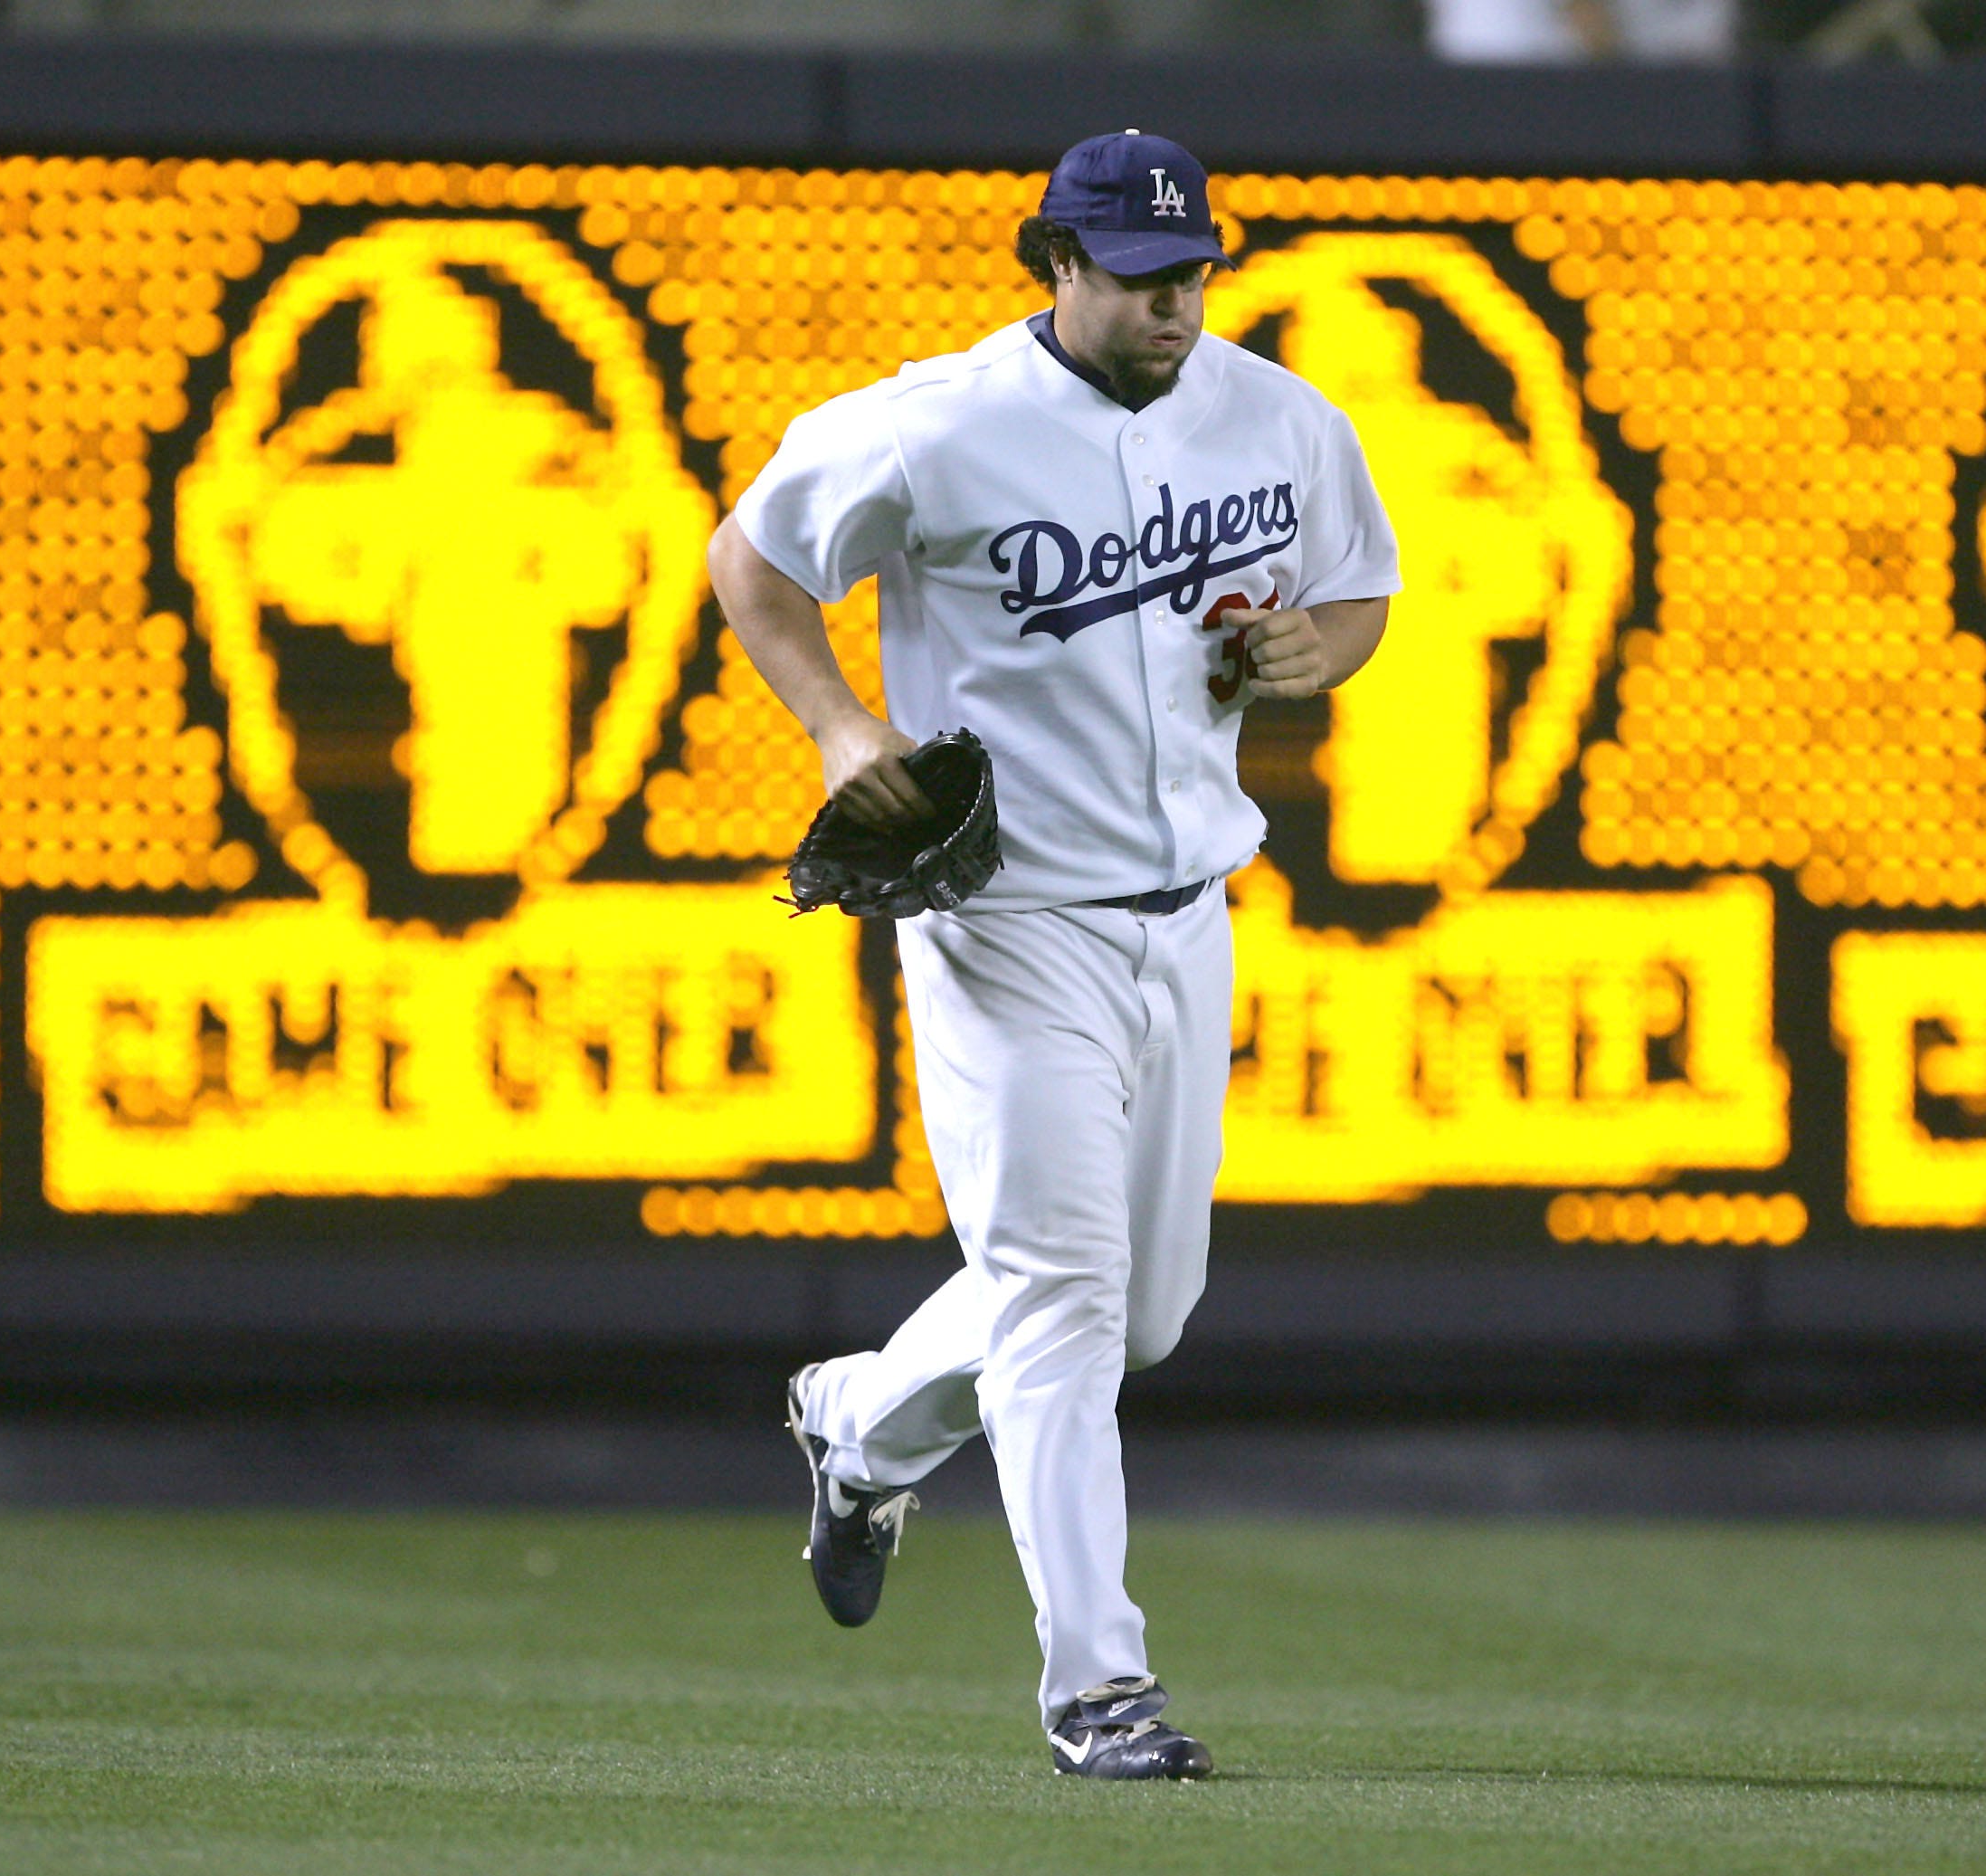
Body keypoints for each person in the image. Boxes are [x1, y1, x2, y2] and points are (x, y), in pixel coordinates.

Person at [706, 129, 1399, 1781]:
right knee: (1072, 1307)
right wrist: (836, 725)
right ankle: (1099, 1688)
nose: (1176, 301)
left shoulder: (1277, 415)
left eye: (1194, 270)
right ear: (1059, 266)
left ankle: (859, 1421)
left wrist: (1317, 648)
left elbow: (1362, 594)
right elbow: (752, 556)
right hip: (1004, 916)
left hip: (1191, 913)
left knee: (1137, 1311)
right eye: (1142, 274)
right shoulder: (939, 423)